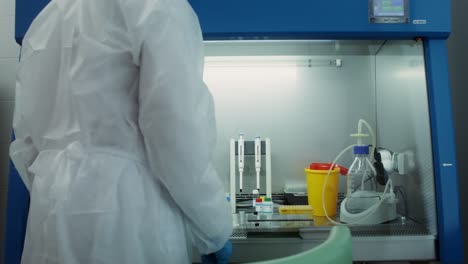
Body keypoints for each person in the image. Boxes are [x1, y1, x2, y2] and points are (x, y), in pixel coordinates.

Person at [10, 0, 233, 263]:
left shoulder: (48, 18)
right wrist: (214, 228)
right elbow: (176, 138)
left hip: (50, 216)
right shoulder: (159, 6)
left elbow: (25, 142)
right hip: (130, 217)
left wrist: (58, 194)